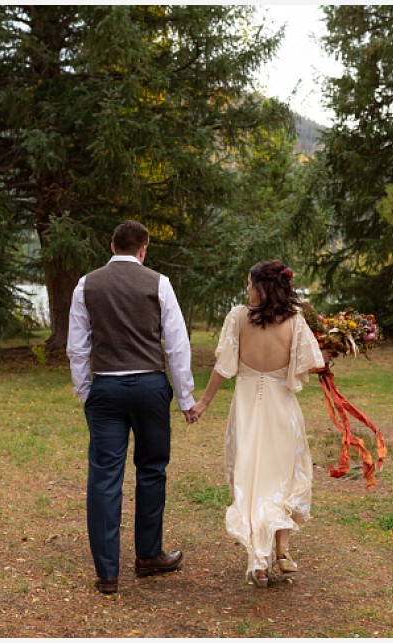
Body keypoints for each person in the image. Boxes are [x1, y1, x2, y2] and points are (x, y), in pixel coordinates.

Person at [66, 220, 196, 595]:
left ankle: (107, 573)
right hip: (150, 387)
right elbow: (176, 344)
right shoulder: (159, 282)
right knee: (152, 468)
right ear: (143, 249)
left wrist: (85, 390)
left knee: (104, 476)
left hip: (106, 387)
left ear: (112, 245)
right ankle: (148, 555)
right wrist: (185, 398)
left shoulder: (86, 284)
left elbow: (78, 345)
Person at [188, 260, 329, 588]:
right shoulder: (294, 321)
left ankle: (260, 562)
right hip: (282, 408)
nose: (247, 290)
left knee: (252, 481)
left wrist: (204, 403)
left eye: (250, 284)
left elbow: (223, 367)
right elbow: (308, 368)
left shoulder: (238, 318)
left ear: (261, 287)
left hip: (248, 409)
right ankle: (281, 550)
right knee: (282, 476)